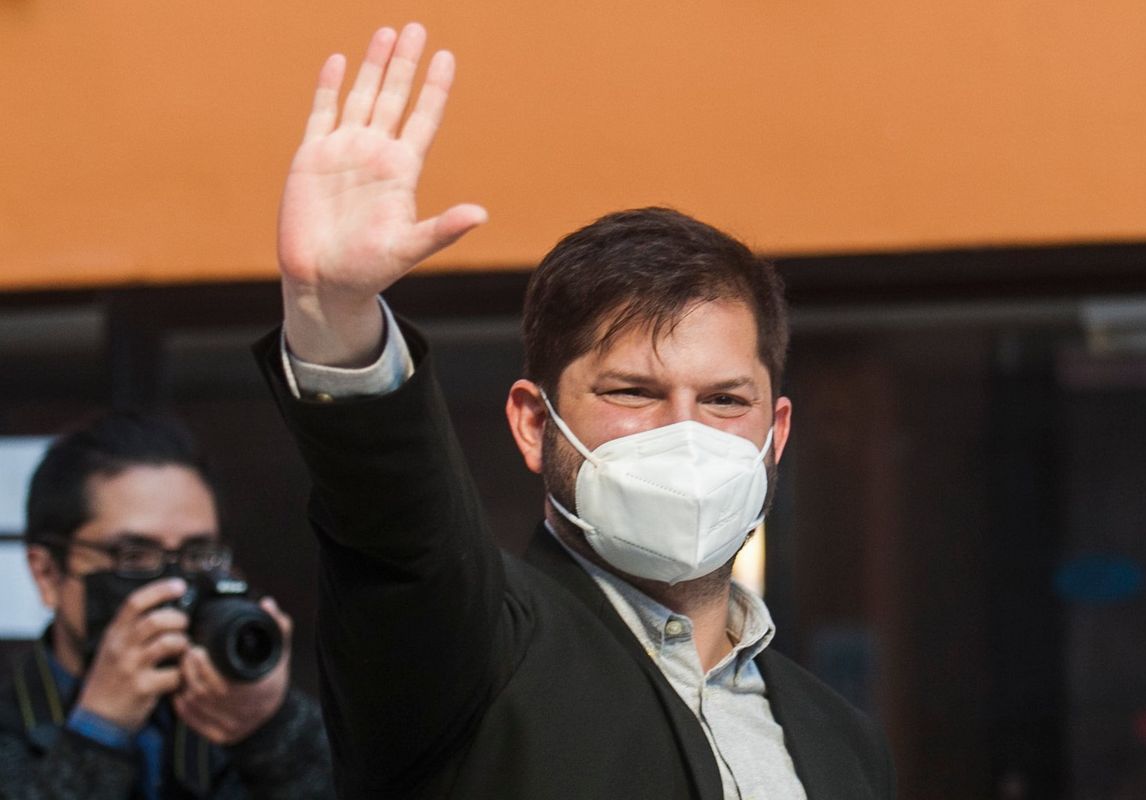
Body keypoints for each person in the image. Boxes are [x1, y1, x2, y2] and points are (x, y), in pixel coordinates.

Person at [259, 23, 894, 799]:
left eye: (725, 400)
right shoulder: (470, 653)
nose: (685, 433)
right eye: (633, 391)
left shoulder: (841, 740)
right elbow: (395, 532)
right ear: (533, 423)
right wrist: (335, 318)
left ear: (777, 432)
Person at [0, 412, 333, 799]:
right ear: (47, 575)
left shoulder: (235, 711)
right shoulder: (11, 724)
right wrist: (99, 730)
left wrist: (271, 728)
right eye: (134, 556)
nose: (173, 583)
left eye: (198, 555)